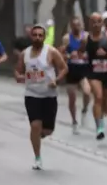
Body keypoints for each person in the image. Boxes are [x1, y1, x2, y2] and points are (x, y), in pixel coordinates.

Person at [15, 24, 68, 169]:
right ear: (31, 37)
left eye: (40, 35)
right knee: (35, 125)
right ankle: (37, 157)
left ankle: (39, 136)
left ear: (44, 37)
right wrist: (19, 77)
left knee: (47, 130)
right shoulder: (24, 54)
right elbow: (18, 71)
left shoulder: (51, 52)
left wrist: (56, 80)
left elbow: (64, 68)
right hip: (31, 94)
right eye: (35, 35)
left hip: (49, 95)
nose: (37, 37)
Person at [84, 12, 107, 141]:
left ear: (102, 23)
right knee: (98, 97)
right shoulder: (86, 39)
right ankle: (99, 128)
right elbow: (78, 51)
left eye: (98, 21)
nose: (96, 24)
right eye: (93, 21)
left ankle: (104, 113)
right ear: (89, 23)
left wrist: (106, 54)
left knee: (104, 100)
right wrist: (76, 55)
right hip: (93, 73)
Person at [60, 17, 91, 134]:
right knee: (72, 98)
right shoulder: (67, 38)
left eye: (78, 25)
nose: (76, 27)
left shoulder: (86, 37)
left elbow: (92, 51)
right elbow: (61, 54)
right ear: (71, 26)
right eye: (74, 25)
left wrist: (86, 56)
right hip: (71, 69)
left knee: (87, 92)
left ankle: (84, 110)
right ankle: (74, 122)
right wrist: (69, 56)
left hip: (83, 69)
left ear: (81, 25)